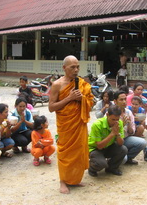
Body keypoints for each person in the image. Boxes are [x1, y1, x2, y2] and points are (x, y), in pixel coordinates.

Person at [48, 55, 94, 194]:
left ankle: (74, 180)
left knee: (79, 151)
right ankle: (63, 181)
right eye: (72, 67)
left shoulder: (82, 83)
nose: (76, 70)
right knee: (65, 152)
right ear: (64, 68)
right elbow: (51, 107)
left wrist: (82, 99)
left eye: (77, 67)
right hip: (66, 125)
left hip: (78, 123)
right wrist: (69, 98)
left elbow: (91, 103)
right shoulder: (57, 85)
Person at [88, 105, 127, 177]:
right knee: (101, 164)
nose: (115, 122)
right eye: (113, 119)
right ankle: (91, 168)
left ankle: (111, 168)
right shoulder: (97, 124)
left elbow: (121, 143)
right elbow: (99, 146)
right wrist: (112, 134)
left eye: (117, 119)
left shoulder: (119, 123)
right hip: (95, 149)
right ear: (107, 115)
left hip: (108, 146)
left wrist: (117, 134)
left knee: (123, 149)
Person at [114, 91, 147, 165]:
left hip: (125, 138)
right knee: (122, 159)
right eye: (121, 100)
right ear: (115, 101)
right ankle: (115, 160)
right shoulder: (111, 113)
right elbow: (110, 132)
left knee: (142, 143)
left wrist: (128, 124)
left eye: (125, 99)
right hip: (114, 141)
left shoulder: (128, 112)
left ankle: (128, 158)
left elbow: (131, 132)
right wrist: (122, 125)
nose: (124, 102)